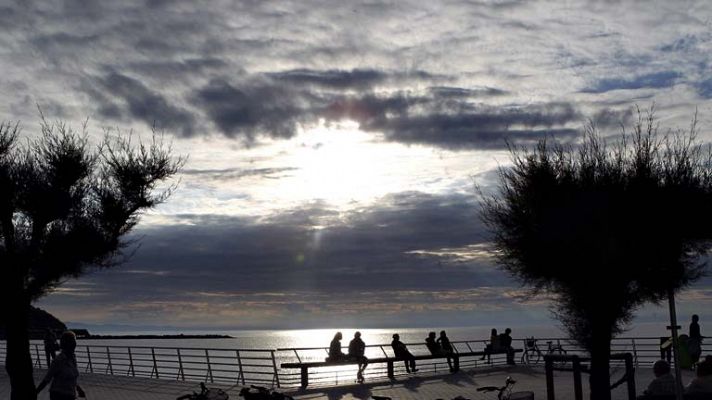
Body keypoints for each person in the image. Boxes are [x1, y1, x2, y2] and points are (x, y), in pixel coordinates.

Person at [37, 331, 86, 400]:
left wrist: (79, 389)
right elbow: (47, 379)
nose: (75, 344)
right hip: (59, 395)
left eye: (74, 341)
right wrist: (36, 392)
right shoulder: (59, 360)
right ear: (66, 344)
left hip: (71, 395)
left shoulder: (73, 358)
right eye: (72, 341)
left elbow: (72, 377)